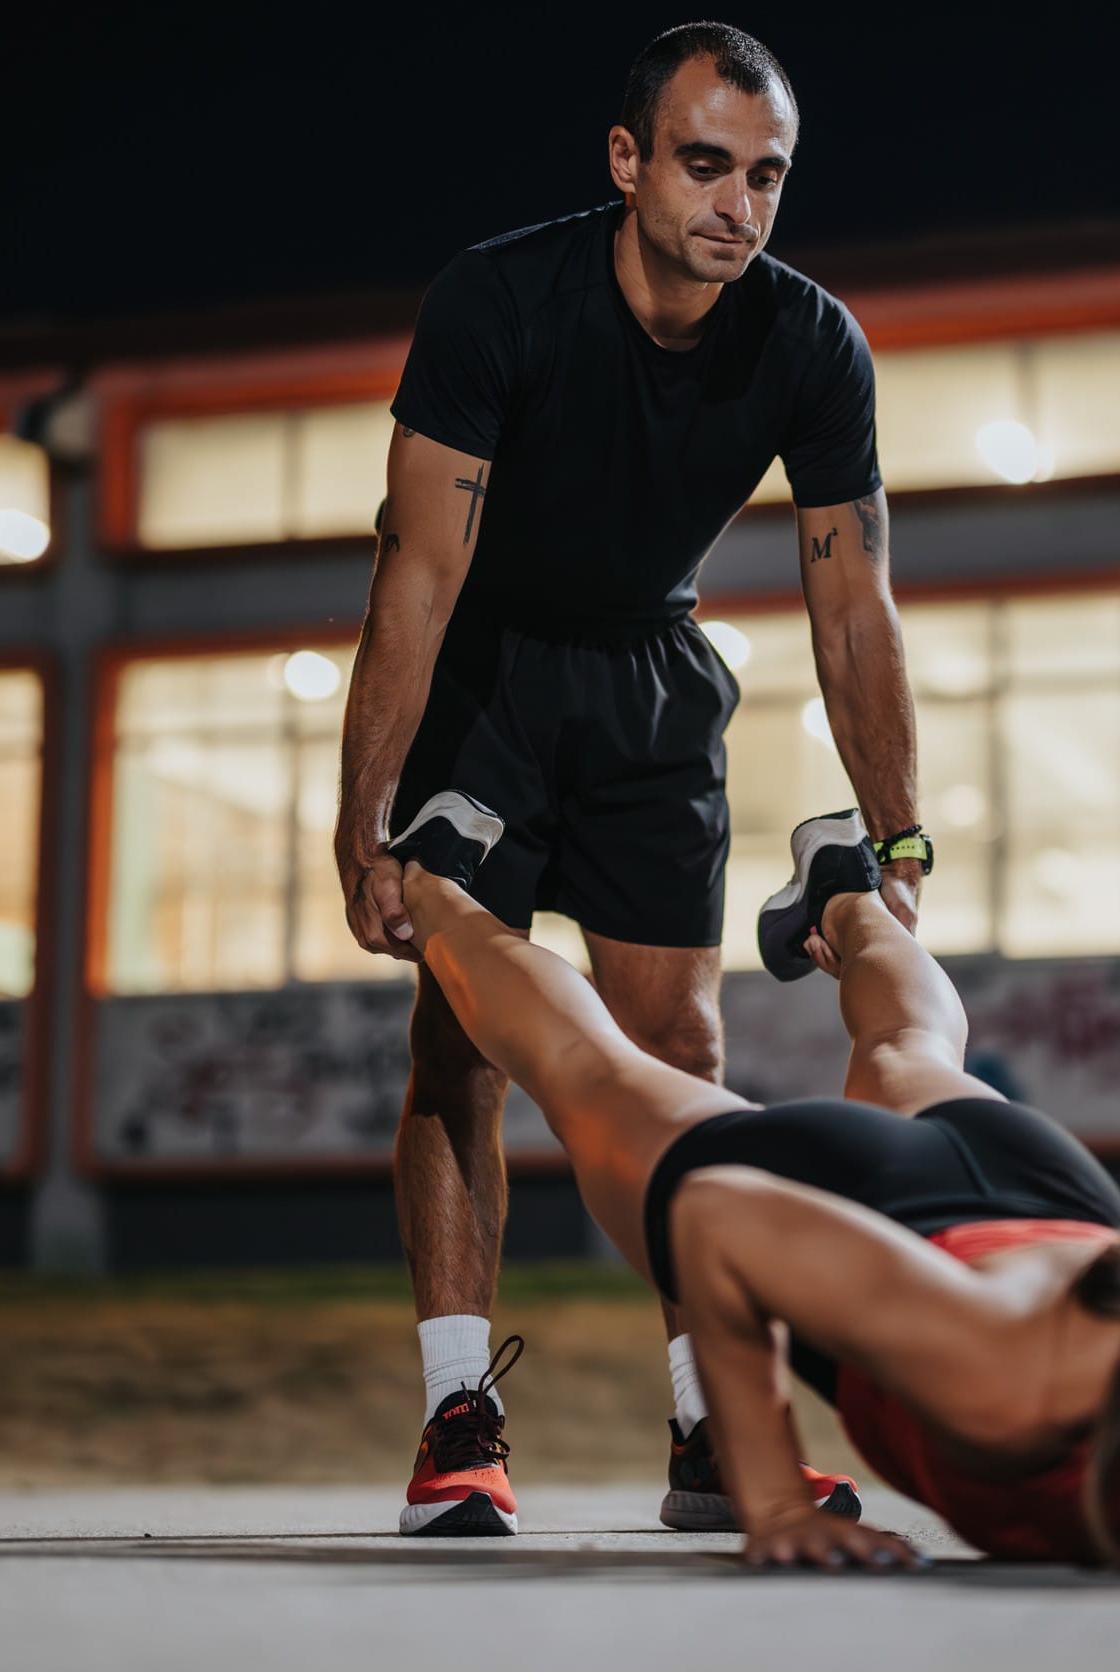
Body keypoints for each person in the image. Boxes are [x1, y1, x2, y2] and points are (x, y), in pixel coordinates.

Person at [334, 22, 930, 1538]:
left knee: (679, 1046)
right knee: (464, 1044)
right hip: (486, 675)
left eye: (769, 175)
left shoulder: (809, 342)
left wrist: (902, 827)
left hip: (652, 679)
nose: (738, 202)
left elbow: (852, 601)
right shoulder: (499, 300)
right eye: (705, 162)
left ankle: (703, 1431)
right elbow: (418, 568)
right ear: (628, 162)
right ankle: (460, 1418)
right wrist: (363, 806)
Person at [380, 791, 1120, 1570]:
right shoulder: (1007, 1382)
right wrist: (772, 1500)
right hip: (865, 1209)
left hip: (1047, 1197)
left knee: (911, 1059)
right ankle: (433, 877)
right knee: (596, 1076)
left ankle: (845, 890)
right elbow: (723, 1220)